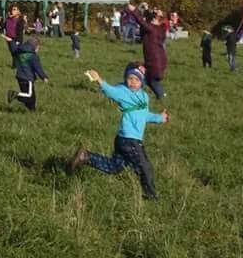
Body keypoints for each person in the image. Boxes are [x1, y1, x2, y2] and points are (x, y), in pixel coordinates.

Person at [66, 63, 168, 200]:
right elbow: (110, 91)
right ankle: (151, 197)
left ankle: (86, 156)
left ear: (142, 82)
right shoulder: (123, 92)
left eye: (136, 79)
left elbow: (144, 115)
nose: (132, 82)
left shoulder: (144, 97)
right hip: (128, 139)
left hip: (124, 140)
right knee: (145, 167)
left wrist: (159, 118)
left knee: (115, 166)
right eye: (130, 78)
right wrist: (99, 80)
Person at [131, 4, 168, 100]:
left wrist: (134, 10)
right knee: (150, 79)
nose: (153, 18)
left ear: (159, 20)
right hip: (158, 60)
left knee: (144, 77)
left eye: (155, 16)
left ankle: (134, 94)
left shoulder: (153, 29)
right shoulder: (160, 29)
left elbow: (141, 22)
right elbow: (147, 21)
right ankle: (161, 95)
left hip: (154, 61)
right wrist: (147, 10)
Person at [6, 36, 48, 112]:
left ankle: (32, 111)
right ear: (35, 47)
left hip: (20, 77)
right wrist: (43, 77)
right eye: (38, 47)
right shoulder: (32, 56)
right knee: (28, 96)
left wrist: (11, 42)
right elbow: (37, 68)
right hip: (28, 79)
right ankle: (14, 94)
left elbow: (13, 50)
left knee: (32, 97)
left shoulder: (19, 51)